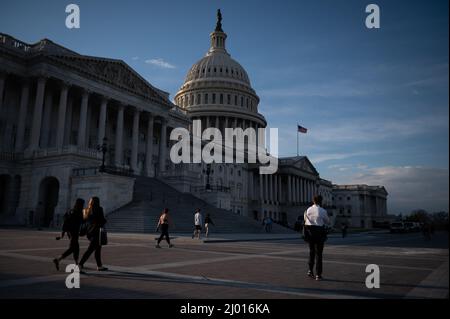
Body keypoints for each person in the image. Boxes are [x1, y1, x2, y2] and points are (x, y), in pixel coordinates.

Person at [52, 198, 84, 270]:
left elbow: (65, 222)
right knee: (72, 248)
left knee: (76, 248)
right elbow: (82, 221)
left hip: (70, 232)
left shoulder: (70, 211)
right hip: (75, 232)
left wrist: (62, 234)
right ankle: (58, 259)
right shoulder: (79, 212)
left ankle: (76, 263)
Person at [78, 197, 108, 273]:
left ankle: (99, 266)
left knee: (98, 249)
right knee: (90, 250)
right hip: (97, 232)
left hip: (89, 232)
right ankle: (79, 265)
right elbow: (102, 220)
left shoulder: (86, 210)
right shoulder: (99, 209)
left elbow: (84, 221)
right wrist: (105, 220)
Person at [304, 195, 330, 281]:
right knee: (319, 254)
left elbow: (305, 220)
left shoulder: (308, 209)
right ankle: (318, 274)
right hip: (319, 233)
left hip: (310, 233)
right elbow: (327, 221)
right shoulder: (322, 210)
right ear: (321, 201)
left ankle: (310, 271)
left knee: (311, 252)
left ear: (313, 201)